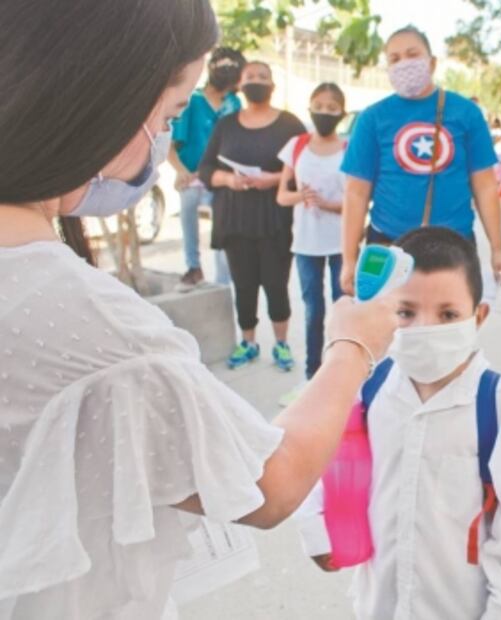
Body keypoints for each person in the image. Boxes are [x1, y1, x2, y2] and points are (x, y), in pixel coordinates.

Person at [0, 2, 398, 617]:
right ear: (102, 101)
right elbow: (269, 483)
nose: (165, 141)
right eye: (170, 114)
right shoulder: (93, 324)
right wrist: (354, 348)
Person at [294, 227, 501, 619]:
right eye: (406, 312)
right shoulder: (369, 385)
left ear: (479, 316)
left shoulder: (496, 405)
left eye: (448, 314)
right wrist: (315, 528)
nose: (425, 328)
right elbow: (325, 453)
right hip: (377, 605)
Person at [339, 25, 501, 297]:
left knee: (450, 331)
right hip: (387, 244)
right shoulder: (372, 118)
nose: (404, 63)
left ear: (431, 62)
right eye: (394, 59)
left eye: (412, 54)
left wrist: (498, 249)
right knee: (388, 332)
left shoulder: (466, 113)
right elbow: (356, 192)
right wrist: (349, 259)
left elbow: (485, 186)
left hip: (453, 246)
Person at [199, 61, 306, 371]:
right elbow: (206, 169)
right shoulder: (226, 125)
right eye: (250, 77)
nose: (256, 81)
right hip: (235, 218)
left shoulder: (290, 125)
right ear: (239, 85)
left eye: (263, 76)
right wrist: (229, 180)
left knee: (276, 283)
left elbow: (305, 168)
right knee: (244, 285)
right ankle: (248, 342)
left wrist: (272, 180)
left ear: (273, 84)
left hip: (275, 218)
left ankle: (281, 345)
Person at [276, 83, 349, 383]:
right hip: (305, 243)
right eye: (318, 106)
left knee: (341, 311)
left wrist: (330, 204)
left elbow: (357, 201)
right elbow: (282, 195)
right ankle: (313, 375)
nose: (324, 112)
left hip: (340, 244)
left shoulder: (349, 149)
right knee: (313, 312)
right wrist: (301, 197)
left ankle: (342, 373)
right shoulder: (297, 146)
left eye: (331, 108)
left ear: (341, 113)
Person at [169, 47, 245, 291]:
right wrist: (180, 170)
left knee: (224, 223)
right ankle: (193, 266)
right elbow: (171, 144)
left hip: (222, 177)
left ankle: (224, 280)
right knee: (189, 202)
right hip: (194, 176)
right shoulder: (193, 101)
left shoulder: (234, 103)